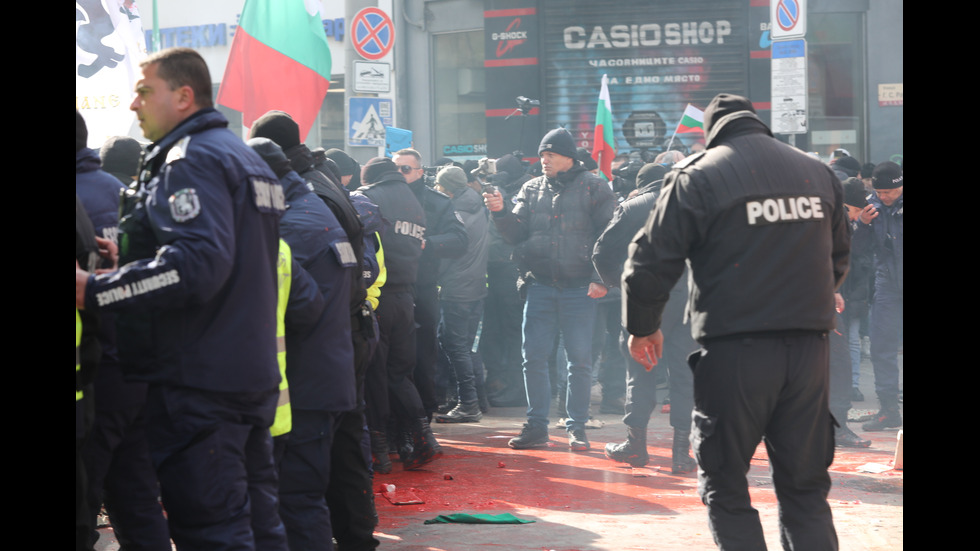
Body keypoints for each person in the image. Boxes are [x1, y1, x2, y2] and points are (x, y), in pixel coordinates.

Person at [75, 47, 288, 550]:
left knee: (212, 530)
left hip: (200, 381)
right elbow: (228, 260)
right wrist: (128, 259)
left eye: (145, 92)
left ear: (184, 96)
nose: (134, 105)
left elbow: (198, 267)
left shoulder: (189, 159)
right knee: (259, 525)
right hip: (245, 374)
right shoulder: (244, 157)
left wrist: (98, 288)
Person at [623, 94, 849, 549]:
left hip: (737, 349)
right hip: (809, 351)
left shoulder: (699, 175)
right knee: (805, 487)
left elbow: (649, 261)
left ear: (712, 132)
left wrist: (643, 325)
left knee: (725, 482)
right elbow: (838, 257)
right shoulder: (817, 172)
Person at [484, 127, 615, 452]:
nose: (544, 160)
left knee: (580, 361)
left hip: (580, 290)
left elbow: (610, 237)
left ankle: (577, 428)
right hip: (539, 286)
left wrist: (602, 279)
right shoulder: (531, 189)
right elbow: (515, 234)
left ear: (568, 157)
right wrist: (500, 211)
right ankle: (537, 426)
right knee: (534, 359)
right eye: (542, 155)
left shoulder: (595, 187)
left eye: (550, 155)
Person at [77, 112, 171, 550]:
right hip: (136, 362)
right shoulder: (126, 194)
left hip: (96, 372)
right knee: (135, 493)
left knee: (87, 493)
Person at [593, 162, 697, 472]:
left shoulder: (631, 206)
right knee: (684, 374)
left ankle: (636, 446)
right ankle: (681, 454)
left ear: (641, 184)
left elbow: (600, 252)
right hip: (687, 299)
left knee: (640, 373)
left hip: (642, 299)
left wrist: (617, 282)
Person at [354, 157, 442, 471]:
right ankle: (422, 438)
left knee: (377, 375)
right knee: (400, 374)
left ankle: (380, 452)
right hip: (408, 295)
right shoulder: (413, 200)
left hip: (380, 296)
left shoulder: (369, 198)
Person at [391, 148, 468, 421]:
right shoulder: (382, 198)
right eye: (395, 168)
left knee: (423, 352)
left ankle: (424, 411)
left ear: (420, 172)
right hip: (389, 288)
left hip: (422, 287)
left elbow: (460, 239)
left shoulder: (437, 202)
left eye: (405, 169)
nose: (399, 174)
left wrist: (428, 244)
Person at [432, 166, 490, 423]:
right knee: (467, 347)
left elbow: (449, 253)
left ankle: (468, 403)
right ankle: (476, 399)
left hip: (456, 287)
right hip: (475, 286)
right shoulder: (477, 206)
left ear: (445, 188)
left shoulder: (456, 214)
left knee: (456, 347)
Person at [857, 161, 903, 431]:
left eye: (889, 192)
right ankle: (888, 410)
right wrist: (863, 224)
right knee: (881, 347)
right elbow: (859, 250)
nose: (883, 197)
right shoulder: (870, 207)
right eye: (879, 192)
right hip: (887, 283)